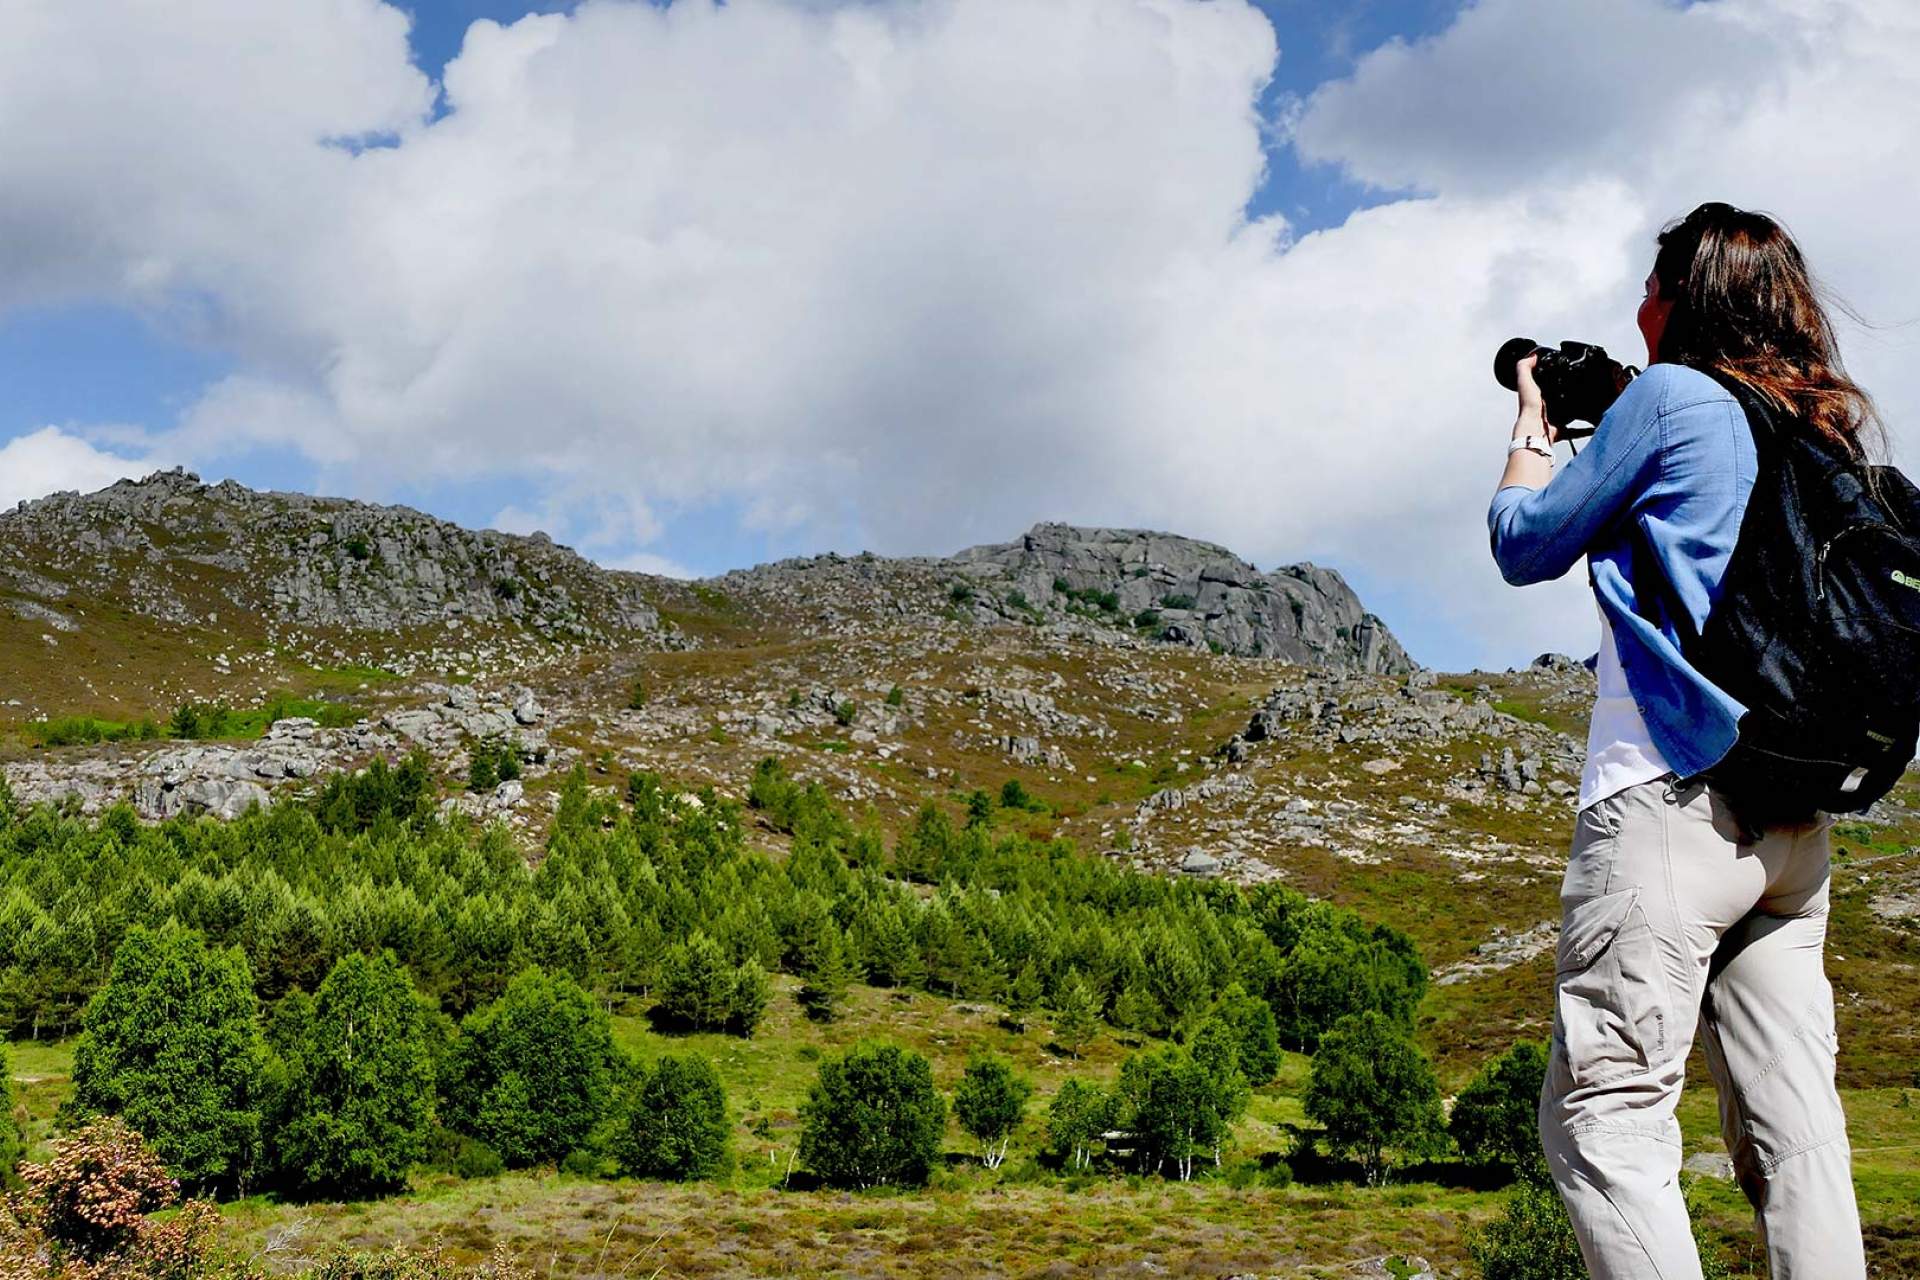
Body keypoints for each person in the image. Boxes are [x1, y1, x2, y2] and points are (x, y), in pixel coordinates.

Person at [1487, 202, 1879, 1279]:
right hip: (1793, 829)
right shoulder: (1816, 423)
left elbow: (1522, 542)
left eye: (1653, 283)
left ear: (1684, 297)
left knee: (1604, 1120)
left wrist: (1533, 419)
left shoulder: (1670, 398)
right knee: (1796, 1132)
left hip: (1669, 802)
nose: (1638, 302)